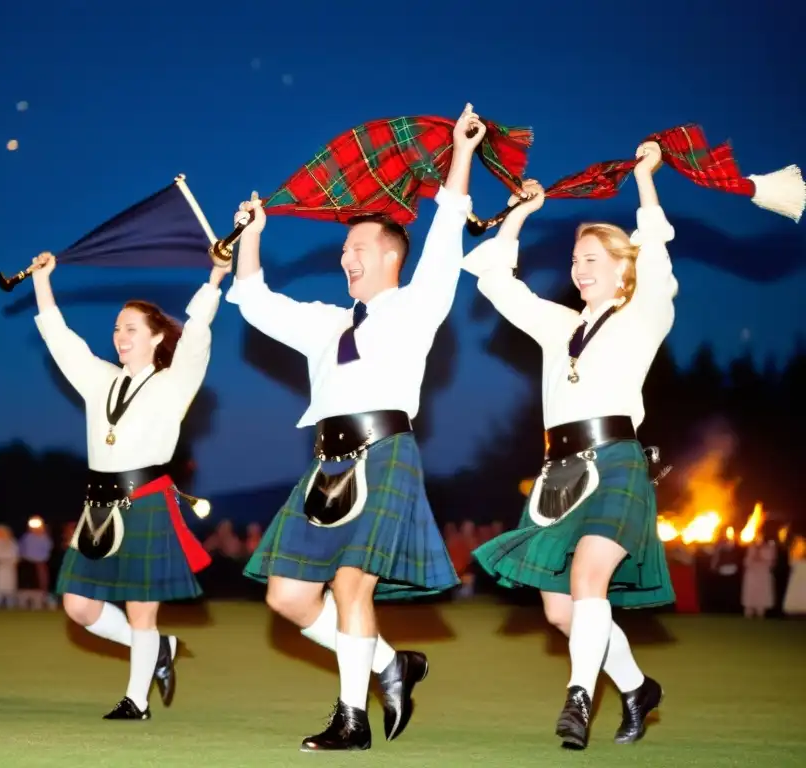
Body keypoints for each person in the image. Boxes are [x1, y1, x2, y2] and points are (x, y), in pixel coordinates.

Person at [225, 104, 486, 752]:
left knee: (349, 586)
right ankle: (391, 665)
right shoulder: (324, 322)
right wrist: (251, 232)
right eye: (343, 251)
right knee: (287, 597)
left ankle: (352, 718)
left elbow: (448, 227)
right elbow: (255, 302)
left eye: (358, 249)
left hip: (385, 453)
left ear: (391, 256)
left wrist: (461, 151)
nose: (346, 258)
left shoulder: (418, 304)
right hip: (325, 464)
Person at [465, 141, 676, 750]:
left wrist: (643, 180)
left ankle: (578, 698)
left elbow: (657, 251)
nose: (580, 269)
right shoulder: (559, 327)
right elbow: (495, 284)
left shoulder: (644, 315)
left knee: (589, 578)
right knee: (562, 612)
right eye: (576, 259)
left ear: (621, 268)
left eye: (592, 258)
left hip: (616, 463)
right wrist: (519, 216)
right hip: (558, 473)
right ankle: (637, 687)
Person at [30, 250, 226, 720]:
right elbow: (62, 343)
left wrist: (216, 275)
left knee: (142, 609)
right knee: (78, 605)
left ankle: (136, 701)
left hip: (146, 501)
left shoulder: (173, 383)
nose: (119, 335)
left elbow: (196, 336)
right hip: (98, 503)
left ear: (156, 337)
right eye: (117, 327)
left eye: (130, 328)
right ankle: (159, 648)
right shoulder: (100, 380)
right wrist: (42, 282)